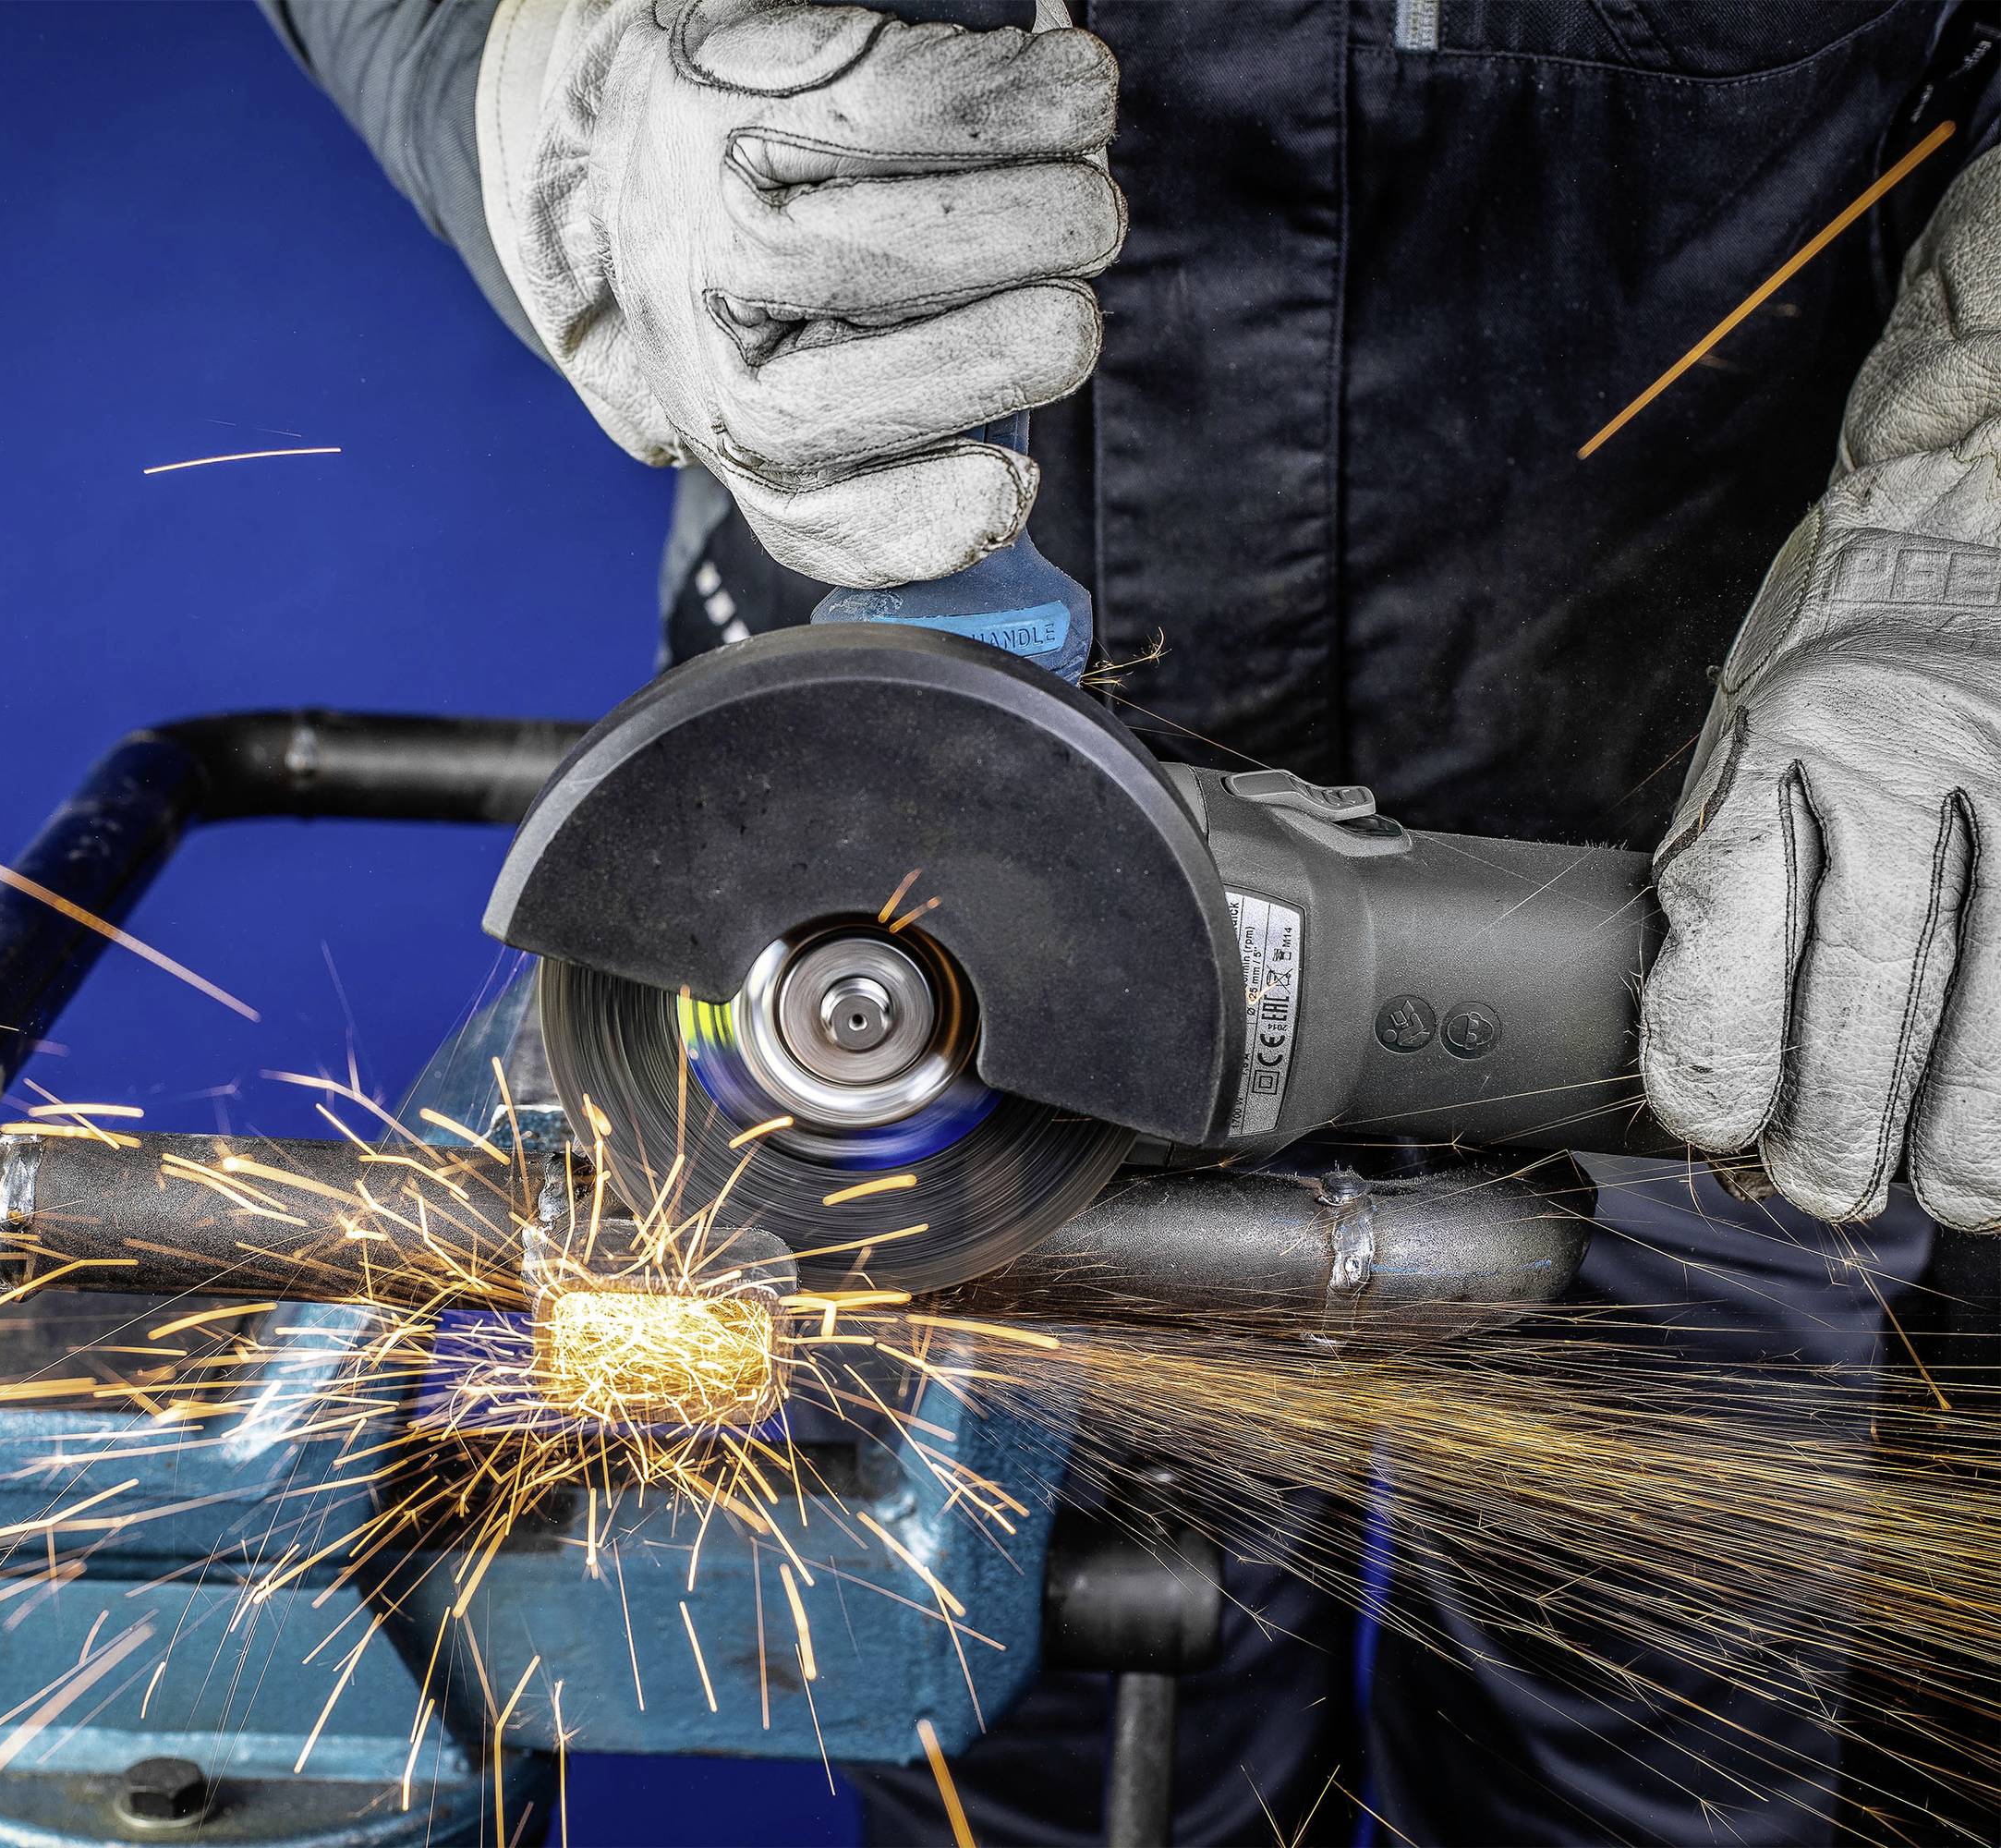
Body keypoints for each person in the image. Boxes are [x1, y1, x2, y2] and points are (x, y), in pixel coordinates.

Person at [261, 1, 2001, 1839]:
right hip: (882, 868)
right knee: (1016, 1746)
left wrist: (1968, 489)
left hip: (1747, 849)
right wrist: (546, 76)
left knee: (1652, 1769)